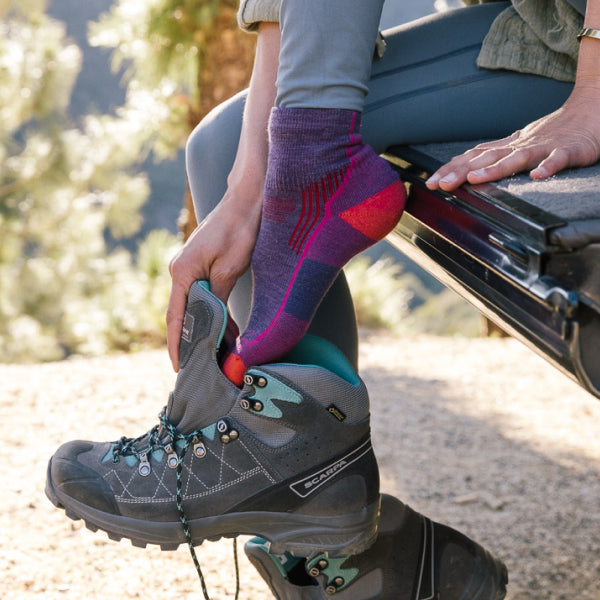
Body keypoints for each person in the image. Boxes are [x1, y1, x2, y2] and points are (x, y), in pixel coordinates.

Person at [46, 0, 599, 598]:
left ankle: (353, 543)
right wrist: (253, 179)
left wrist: (594, 93)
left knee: (274, 156)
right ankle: (358, 554)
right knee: (226, 146)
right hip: (546, 21)